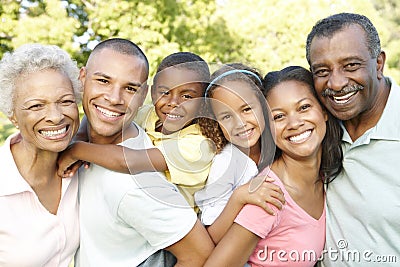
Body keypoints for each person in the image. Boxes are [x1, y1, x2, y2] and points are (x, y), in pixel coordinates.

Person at [68, 38, 214, 267]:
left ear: (142, 92)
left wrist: (75, 149)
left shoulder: (136, 184)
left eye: (129, 88)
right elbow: (100, 114)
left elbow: (200, 254)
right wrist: (77, 138)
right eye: (103, 81)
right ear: (82, 78)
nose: (114, 98)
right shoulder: (143, 119)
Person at [204, 66, 343, 267]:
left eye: (304, 107)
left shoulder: (327, 179)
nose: (294, 123)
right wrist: (238, 198)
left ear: (324, 111)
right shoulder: (268, 195)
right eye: (279, 116)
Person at [58, 52, 215, 210]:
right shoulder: (147, 114)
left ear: (203, 102)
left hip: (168, 223)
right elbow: (102, 114)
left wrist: (76, 150)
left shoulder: (198, 145)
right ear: (152, 93)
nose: (173, 103)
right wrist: (81, 136)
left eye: (187, 96)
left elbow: (130, 161)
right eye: (165, 92)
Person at [305, 12, 400, 266]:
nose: (335, 84)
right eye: (322, 71)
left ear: (378, 64)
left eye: (351, 66)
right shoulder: (313, 129)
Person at [0, 44, 81, 266]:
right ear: (13, 116)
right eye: (36, 106)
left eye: (65, 101)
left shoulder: (83, 168)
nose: (55, 117)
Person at [195, 63, 284, 244]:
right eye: (226, 116)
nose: (240, 123)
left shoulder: (279, 146)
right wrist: (239, 197)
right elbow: (212, 236)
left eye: (246, 109)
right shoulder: (225, 163)